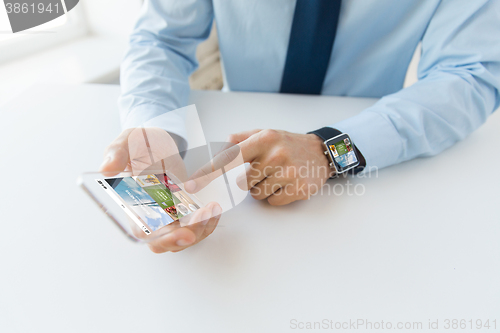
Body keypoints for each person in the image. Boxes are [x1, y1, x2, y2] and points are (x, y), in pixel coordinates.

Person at [100, 0, 500, 253]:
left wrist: (329, 149)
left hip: (375, 184)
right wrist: (155, 125)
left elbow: (470, 74)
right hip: (231, 146)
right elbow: (162, 39)